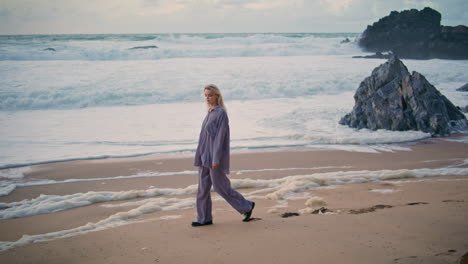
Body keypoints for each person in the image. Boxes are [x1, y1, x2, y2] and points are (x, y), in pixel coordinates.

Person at [192, 84, 255, 227]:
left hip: (214, 158)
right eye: (206, 95)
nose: (207, 98)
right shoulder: (210, 112)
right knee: (202, 189)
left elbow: (220, 138)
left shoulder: (221, 113)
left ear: (217, 96)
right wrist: (200, 155)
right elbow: (204, 137)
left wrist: (215, 159)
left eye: (210, 95)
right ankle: (204, 218)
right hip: (204, 156)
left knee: (221, 187)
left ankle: (247, 206)